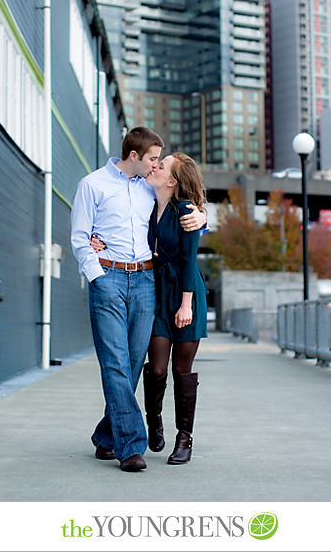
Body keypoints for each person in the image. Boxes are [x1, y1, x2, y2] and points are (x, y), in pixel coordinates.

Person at [70, 127, 206, 473]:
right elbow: (80, 238)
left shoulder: (150, 186)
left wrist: (204, 219)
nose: (156, 165)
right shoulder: (93, 185)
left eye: (159, 161)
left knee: (131, 363)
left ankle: (106, 436)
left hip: (146, 280)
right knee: (115, 361)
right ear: (135, 156)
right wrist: (97, 276)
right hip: (109, 279)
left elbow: (182, 205)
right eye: (152, 159)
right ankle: (131, 445)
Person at [142, 153, 208, 465]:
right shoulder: (146, 202)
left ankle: (185, 437)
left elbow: (188, 260)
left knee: (182, 369)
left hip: (185, 293)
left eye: (162, 165)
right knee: (155, 368)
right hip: (154, 294)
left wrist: (186, 305)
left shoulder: (186, 211)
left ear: (172, 181)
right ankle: (153, 420)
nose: (154, 166)